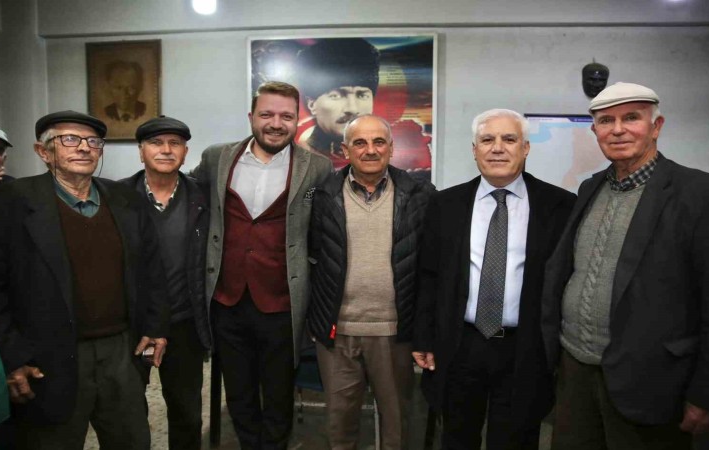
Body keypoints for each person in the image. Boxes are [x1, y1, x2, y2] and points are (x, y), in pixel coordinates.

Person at [541, 82, 709, 450]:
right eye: (606, 121)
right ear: (594, 131)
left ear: (656, 127)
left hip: (651, 381)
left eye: (631, 118)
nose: (617, 129)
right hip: (575, 371)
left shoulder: (704, 196)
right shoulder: (590, 188)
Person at [0, 110, 169, 449]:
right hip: (47, 354)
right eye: (70, 140)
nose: (84, 147)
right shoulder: (5, 204)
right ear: (43, 152)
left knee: (131, 439)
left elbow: (152, 272)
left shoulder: (126, 200)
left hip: (121, 350)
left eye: (93, 141)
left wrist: (156, 326)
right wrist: (12, 356)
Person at [413, 109, 576, 449]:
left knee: (516, 439)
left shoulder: (560, 206)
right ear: (475, 150)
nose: (497, 148)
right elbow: (429, 276)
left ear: (526, 148)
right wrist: (424, 338)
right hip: (461, 345)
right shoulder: (445, 204)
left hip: (525, 348)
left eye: (509, 139)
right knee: (457, 437)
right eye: (487, 140)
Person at [189, 81, 332, 449]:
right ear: (251, 116)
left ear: (297, 119)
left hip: (283, 302)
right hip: (227, 299)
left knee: (279, 393)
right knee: (238, 392)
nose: (276, 124)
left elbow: (323, 230)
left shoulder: (318, 168)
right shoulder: (216, 158)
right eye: (267, 114)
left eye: (286, 116)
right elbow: (187, 200)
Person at [307, 114, 434, 449]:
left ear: (391, 148)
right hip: (337, 333)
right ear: (345, 150)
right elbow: (311, 256)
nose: (370, 150)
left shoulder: (421, 194)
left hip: (394, 333)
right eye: (360, 143)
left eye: (379, 142)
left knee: (397, 426)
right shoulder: (321, 195)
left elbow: (431, 266)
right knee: (340, 426)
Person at [121, 116, 210, 449]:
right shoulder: (116, 197)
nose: (166, 150)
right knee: (129, 410)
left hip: (184, 323)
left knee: (187, 412)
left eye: (175, 143)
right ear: (141, 151)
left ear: (185, 153)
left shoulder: (203, 197)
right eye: (156, 143)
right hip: (133, 325)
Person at [296, 38, 379, 163]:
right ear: (311, 104)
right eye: (336, 96)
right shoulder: (299, 159)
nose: (352, 109)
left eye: (362, 95)